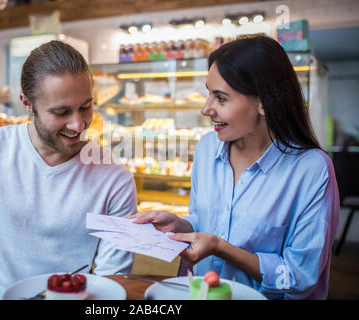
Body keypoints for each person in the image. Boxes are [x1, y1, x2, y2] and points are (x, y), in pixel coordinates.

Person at [0, 41, 137, 299]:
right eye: (61, 112)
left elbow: (112, 281)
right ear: (26, 103)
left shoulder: (115, 178)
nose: (78, 123)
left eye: (85, 106)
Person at [130, 35, 339, 300]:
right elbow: (204, 220)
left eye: (221, 98)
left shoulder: (311, 170)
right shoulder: (207, 148)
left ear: (264, 101)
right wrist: (180, 224)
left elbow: (299, 277)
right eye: (209, 93)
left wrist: (220, 248)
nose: (206, 109)